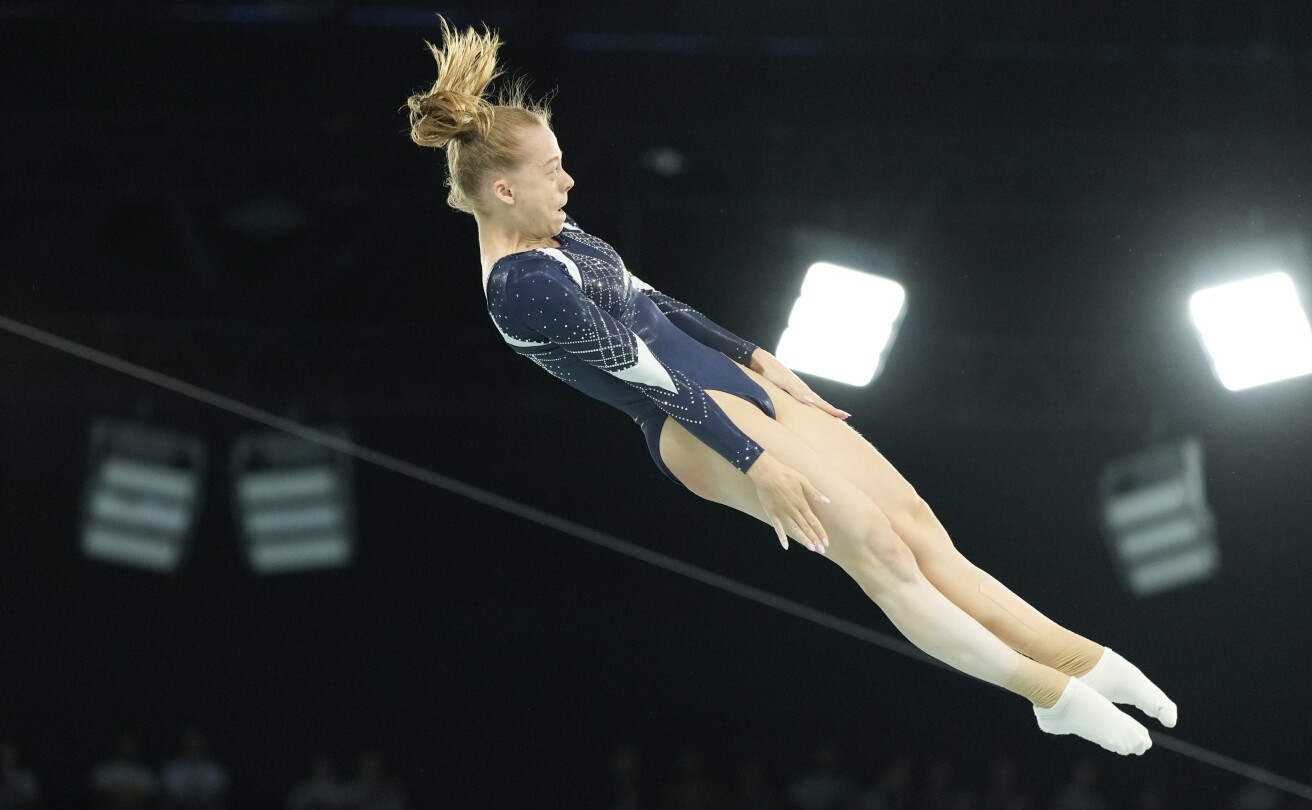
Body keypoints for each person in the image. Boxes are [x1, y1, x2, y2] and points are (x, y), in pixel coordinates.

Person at [405, 19, 1177, 756]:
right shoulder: (520, 286)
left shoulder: (558, 235)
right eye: (551, 171)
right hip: (692, 426)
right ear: (503, 191)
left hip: (729, 382)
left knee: (913, 524)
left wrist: (755, 353)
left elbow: (654, 302)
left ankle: (1083, 659)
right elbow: (650, 370)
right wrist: (752, 460)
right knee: (879, 553)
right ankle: (1053, 698)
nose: (569, 179)